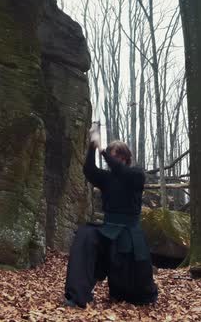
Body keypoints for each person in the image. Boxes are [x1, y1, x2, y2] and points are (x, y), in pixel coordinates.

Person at [64, 123, 158, 308]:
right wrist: (92, 145)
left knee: (134, 294)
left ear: (124, 158)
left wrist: (102, 149)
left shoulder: (136, 175)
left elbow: (120, 171)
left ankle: (130, 292)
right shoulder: (107, 178)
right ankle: (77, 296)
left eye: (114, 155)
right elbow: (89, 171)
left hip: (129, 232)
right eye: (110, 154)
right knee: (85, 236)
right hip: (108, 229)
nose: (110, 159)